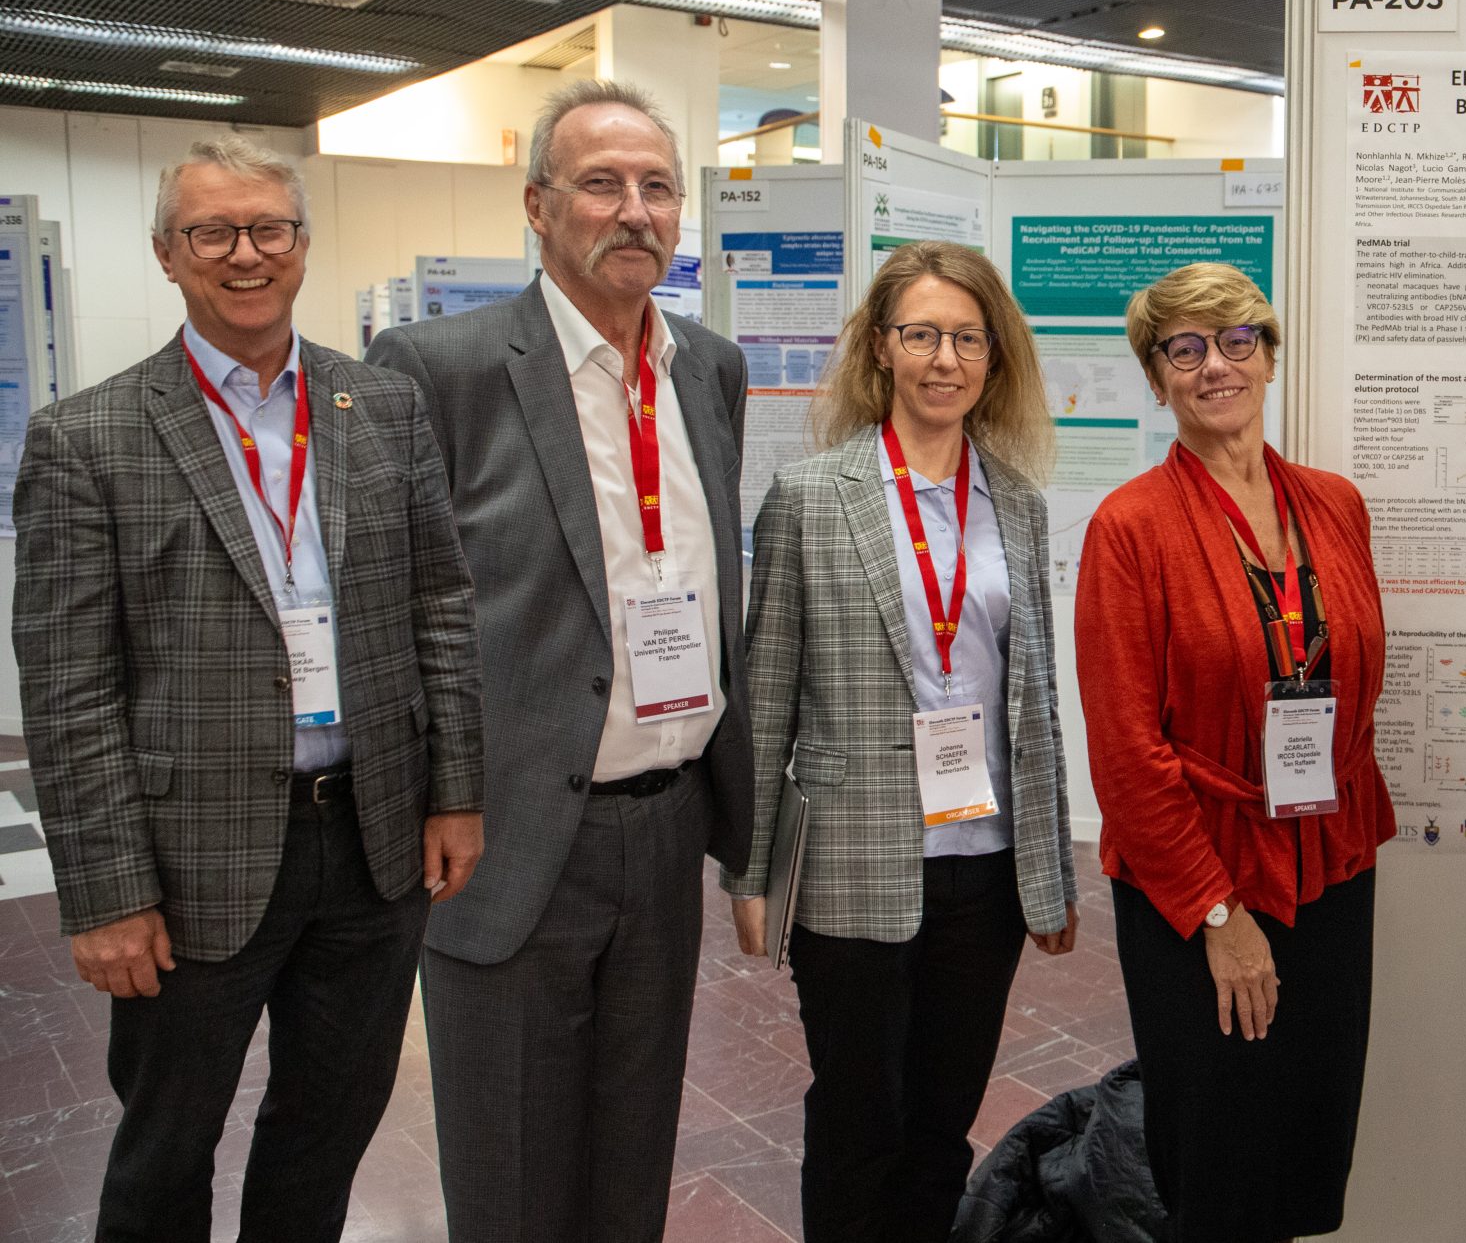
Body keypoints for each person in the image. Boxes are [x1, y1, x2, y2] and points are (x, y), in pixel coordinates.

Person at [14, 135, 484, 1242]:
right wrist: (105, 892)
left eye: (268, 227)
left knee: (327, 1126)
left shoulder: (383, 409)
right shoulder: (89, 437)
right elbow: (70, 689)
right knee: (166, 1149)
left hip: (370, 844)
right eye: (212, 232)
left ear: (302, 245)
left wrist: (454, 789)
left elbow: (440, 609)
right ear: (168, 255)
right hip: (188, 864)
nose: (244, 253)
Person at [367, 80, 752, 1242]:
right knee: (514, 1172)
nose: (633, 210)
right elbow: (387, 613)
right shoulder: (439, 367)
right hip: (508, 830)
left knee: (632, 1156)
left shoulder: (707, 368)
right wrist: (433, 797)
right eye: (601, 183)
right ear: (537, 205)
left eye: (656, 186)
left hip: (668, 821)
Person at [725, 240, 1078, 1243]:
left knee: (940, 1123)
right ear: (880, 347)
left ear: (993, 358)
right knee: (856, 1119)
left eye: (966, 338)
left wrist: (1048, 876)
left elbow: (1034, 705)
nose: (943, 358)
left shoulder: (1016, 501)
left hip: (985, 864)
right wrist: (750, 876)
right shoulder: (810, 495)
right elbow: (768, 693)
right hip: (852, 861)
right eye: (920, 333)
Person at [1076, 262, 1396, 1243]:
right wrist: (1219, 912)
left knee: (1303, 1152)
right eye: (1185, 347)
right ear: (1158, 373)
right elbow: (1126, 750)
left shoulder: (1334, 504)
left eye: (1235, 339)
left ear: (1266, 351)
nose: (1216, 364)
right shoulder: (1127, 528)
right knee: (1219, 1168)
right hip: (1199, 890)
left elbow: (1354, 676)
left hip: (1330, 866)